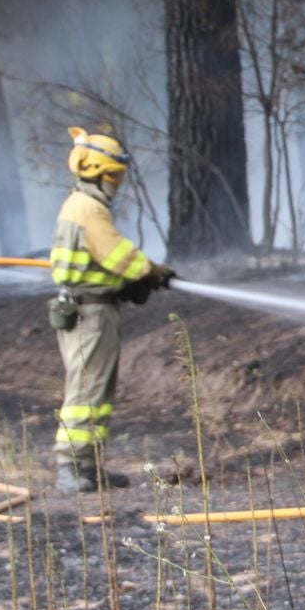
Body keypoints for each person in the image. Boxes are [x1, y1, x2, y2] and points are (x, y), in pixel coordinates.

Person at [48, 128, 174, 495]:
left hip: (90, 307)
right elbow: (115, 252)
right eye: (115, 174)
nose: (119, 181)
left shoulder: (79, 203)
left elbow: (99, 260)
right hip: (92, 312)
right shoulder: (89, 208)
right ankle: (71, 468)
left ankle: (88, 466)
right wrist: (151, 270)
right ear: (103, 172)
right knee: (87, 389)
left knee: (95, 391)